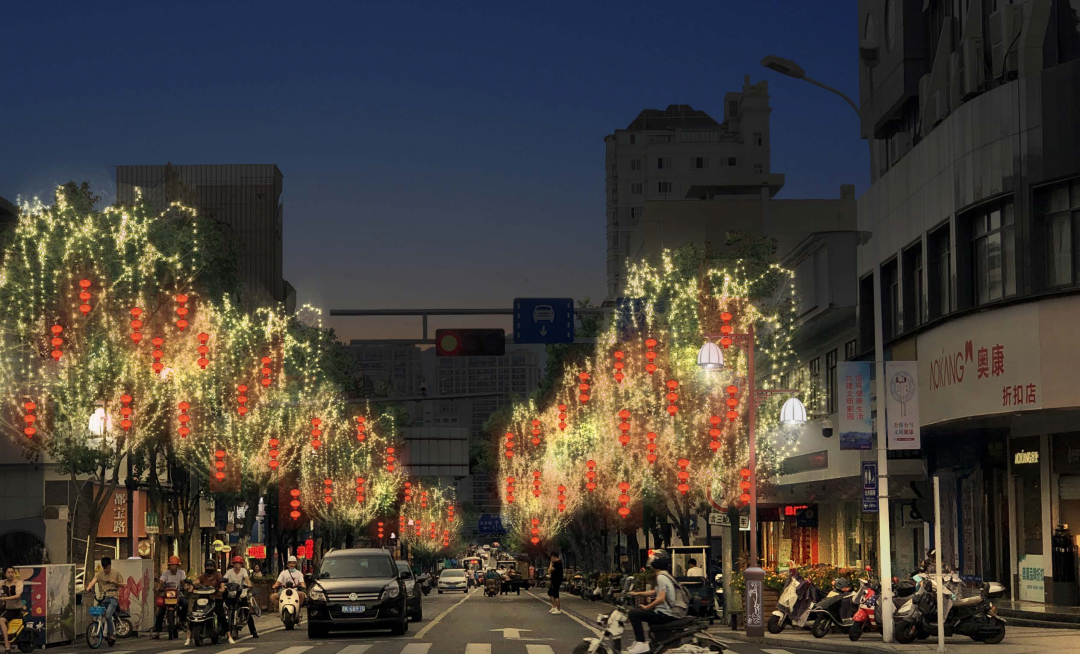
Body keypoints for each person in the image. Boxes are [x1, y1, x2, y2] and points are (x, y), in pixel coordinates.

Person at [625, 555, 679, 654]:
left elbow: (661, 598)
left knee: (633, 613)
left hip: (663, 614)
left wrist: (647, 607)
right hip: (663, 612)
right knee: (637, 611)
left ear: (655, 566)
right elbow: (655, 592)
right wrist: (637, 593)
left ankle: (640, 642)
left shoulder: (661, 577)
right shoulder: (666, 576)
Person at [185, 560, 227, 647]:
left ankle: (229, 635)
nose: (209, 568)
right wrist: (191, 584)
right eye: (207, 567)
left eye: (211, 567)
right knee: (192, 614)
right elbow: (196, 582)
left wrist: (220, 589)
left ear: (214, 567)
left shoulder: (218, 575)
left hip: (216, 598)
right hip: (203, 598)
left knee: (221, 615)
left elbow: (222, 586)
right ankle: (188, 637)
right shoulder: (202, 576)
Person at [85, 557, 124, 646]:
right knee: (97, 614)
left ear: (110, 565)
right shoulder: (99, 575)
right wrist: (89, 587)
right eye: (105, 568)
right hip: (103, 597)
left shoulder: (116, 573)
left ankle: (111, 634)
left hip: (113, 597)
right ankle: (99, 630)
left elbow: (122, 585)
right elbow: (93, 581)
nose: (107, 570)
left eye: (108, 568)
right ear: (102, 567)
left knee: (108, 615)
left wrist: (115, 583)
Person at [151, 556, 188, 640]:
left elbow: (183, 581)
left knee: (185, 603)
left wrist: (185, 585)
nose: (172, 567)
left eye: (174, 565)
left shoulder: (181, 573)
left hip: (178, 594)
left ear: (177, 566)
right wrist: (159, 587)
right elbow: (161, 581)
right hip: (166, 594)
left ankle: (182, 621)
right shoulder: (165, 573)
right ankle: (157, 631)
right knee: (161, 611)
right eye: (170, 565)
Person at [224, 556, 258, 640]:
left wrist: (248, 584)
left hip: (241, 593)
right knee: (225, 610)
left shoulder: (243, 571)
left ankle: (253, 631)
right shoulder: (229, 572)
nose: (237, 565)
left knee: (247, 611)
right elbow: (224, 579)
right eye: (235, 564)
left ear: (241, 565)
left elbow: (247, 579)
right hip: (231, 594)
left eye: (238, 564)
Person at [1, 567, 25, 654]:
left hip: (14, 609)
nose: (10, 574)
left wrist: (5, 598)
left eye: (12, 572)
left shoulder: (18, 583)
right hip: (4, 608)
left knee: (1, 620)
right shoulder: (2, 583)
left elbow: (17, 596)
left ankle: (7, 645)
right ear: (5, 574)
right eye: (8, 572)